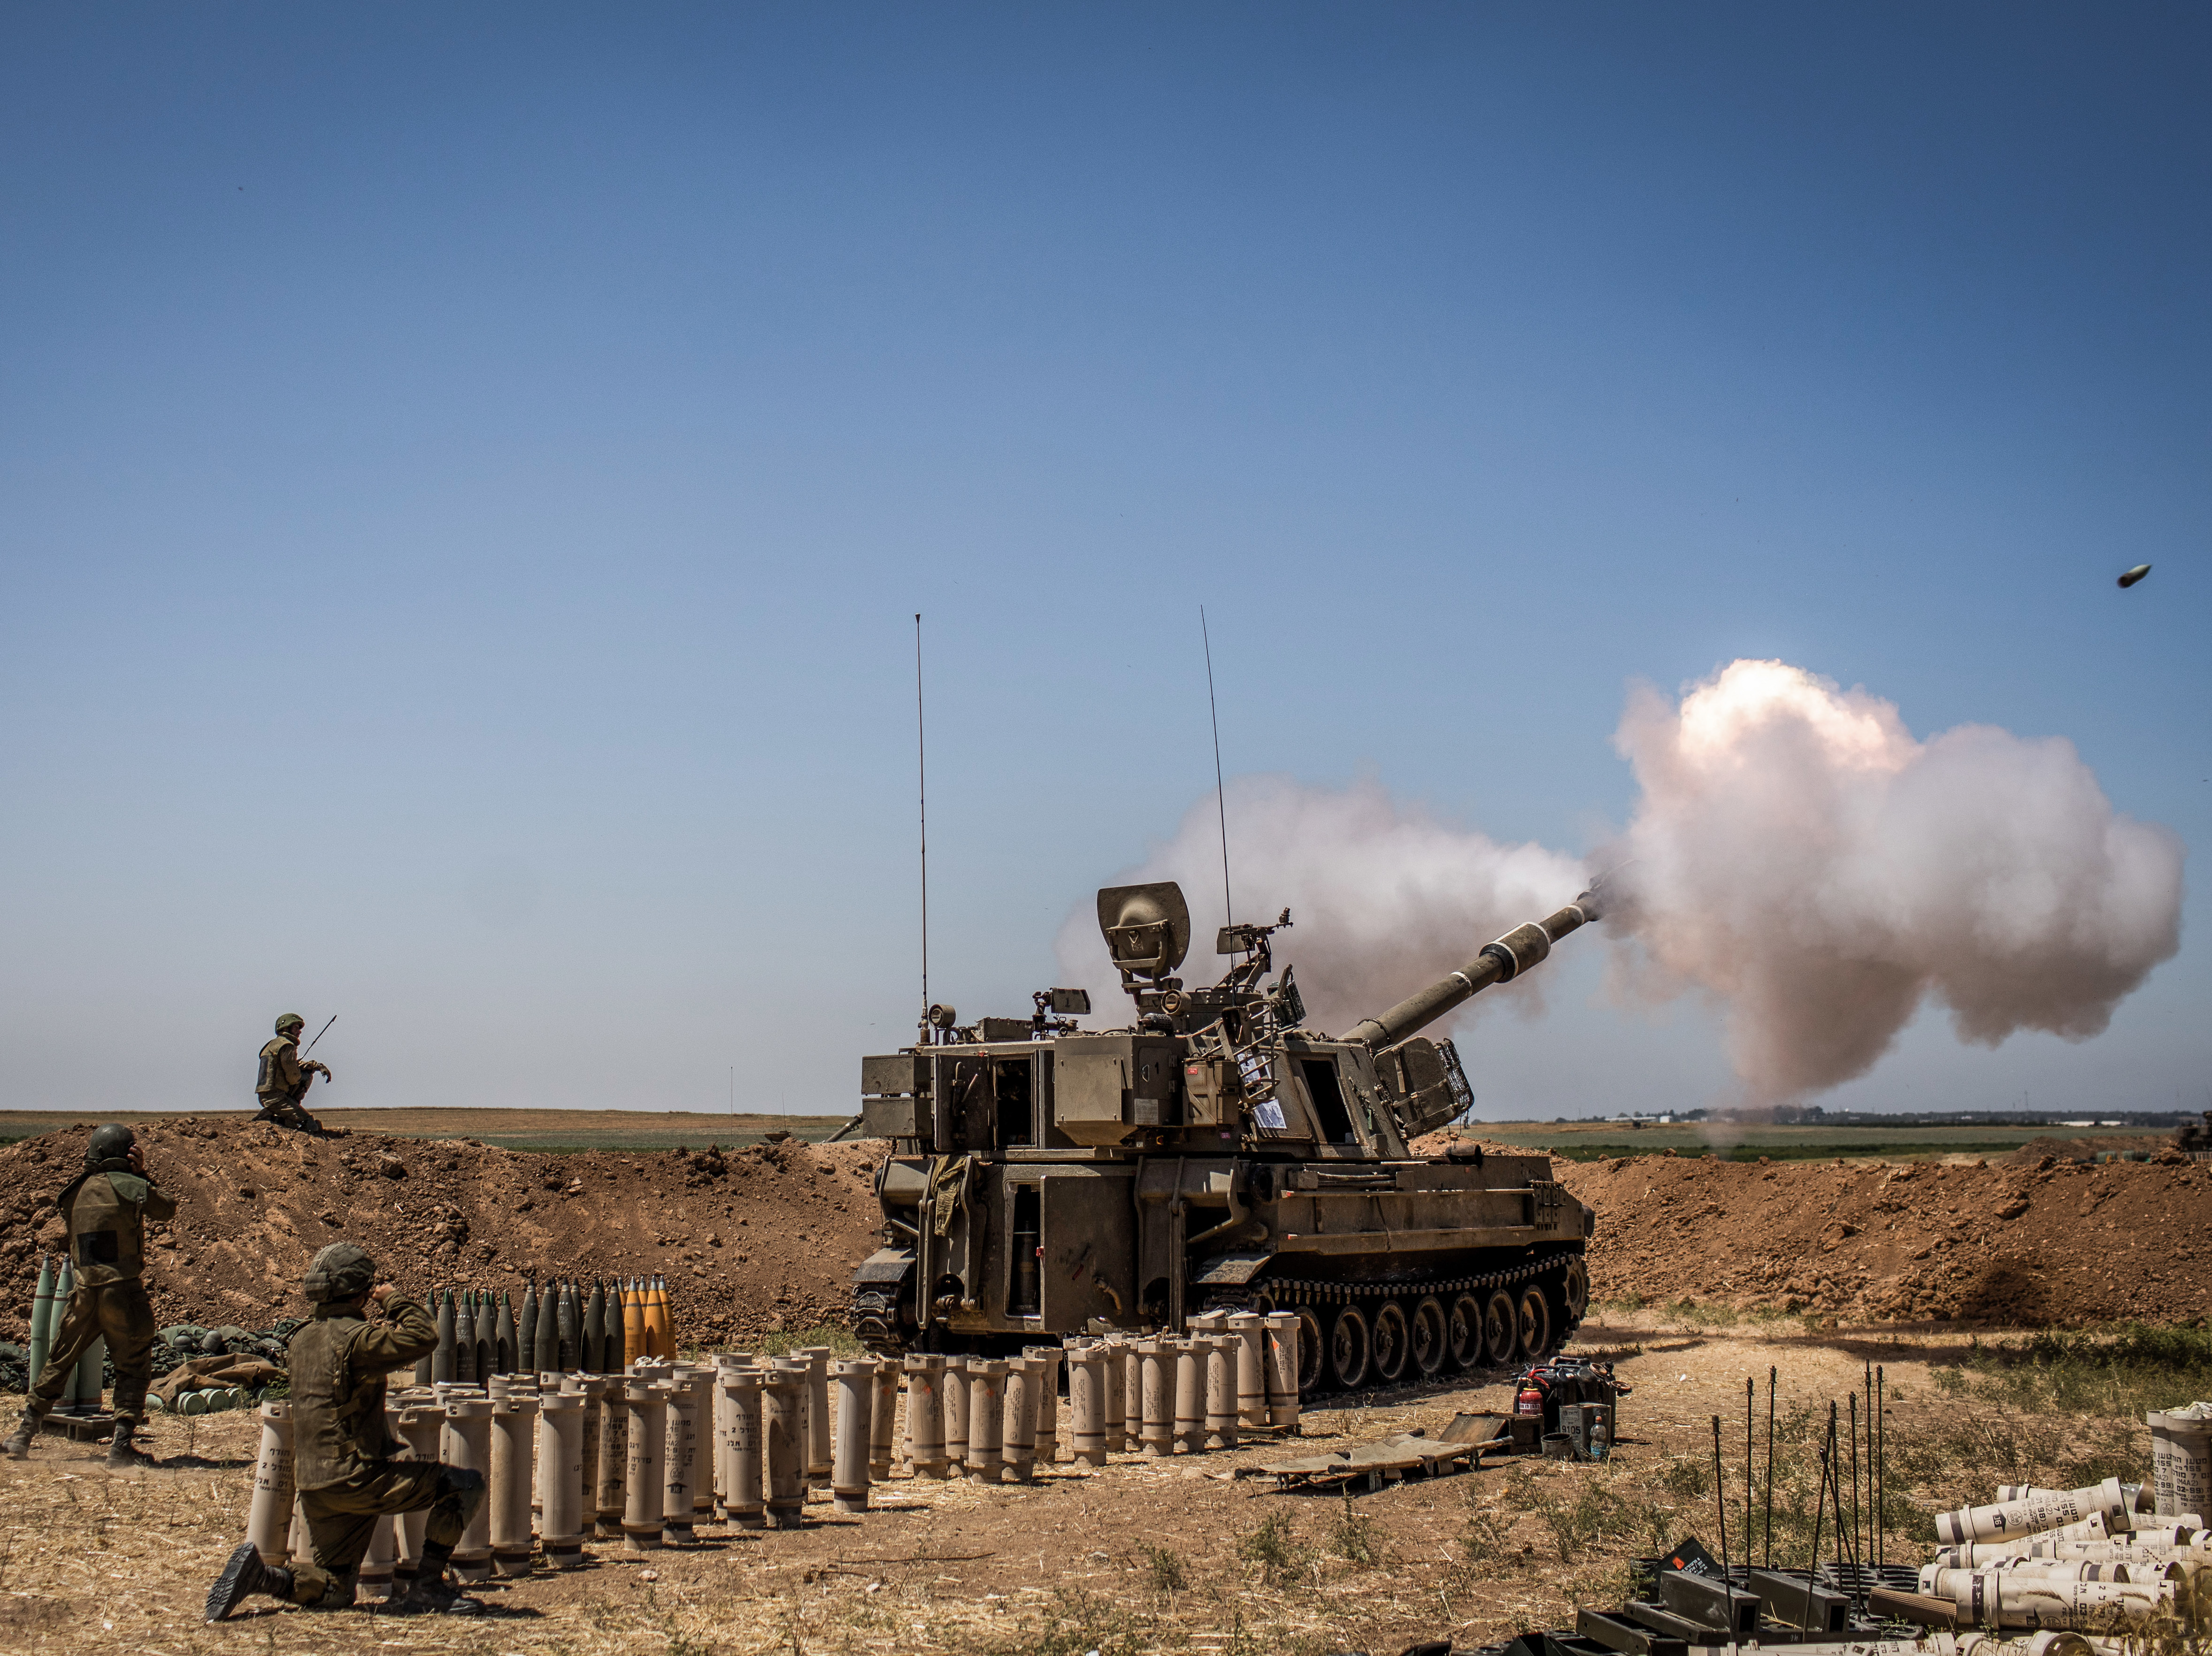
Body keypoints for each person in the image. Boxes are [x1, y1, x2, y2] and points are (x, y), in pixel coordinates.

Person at [203, 1244, 485, 1620]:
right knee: (466, 1486)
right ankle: (428, 1587)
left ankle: (265, 1578)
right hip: (357, 1479)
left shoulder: (301, 1338)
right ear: (360, 1291)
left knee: (335, 1589)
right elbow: (425, 1337)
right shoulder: (358, 1340)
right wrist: (393, 1299)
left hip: (315, 1484)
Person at [4, 1123, 174, 1466]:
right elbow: (166, 1209)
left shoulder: (73, 1194)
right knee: (133, 1367)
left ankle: (23, 1435)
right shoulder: (132, 1186)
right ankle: (121, 1447)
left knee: (58, 1362)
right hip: (123, 1292)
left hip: (83, 1293)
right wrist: (143, 1174)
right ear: (128, 1154)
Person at [254, 1013, 331, 1133]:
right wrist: (307, 1072)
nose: (300, 1032)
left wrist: (315, 1066)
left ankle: (273, 1116)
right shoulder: (286, 1046)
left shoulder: (273, 1044)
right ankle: (274, 1119)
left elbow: (291, 1065)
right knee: (311, 1125)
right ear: (286, 1028)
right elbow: (293, 1077)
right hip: (276, 1098)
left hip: (267, 1095)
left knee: (304, 1074)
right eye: (296, 1028)